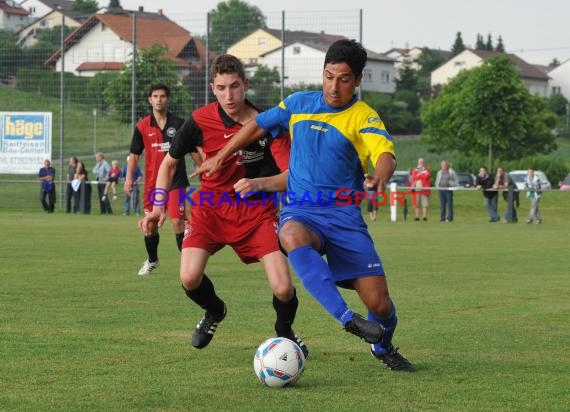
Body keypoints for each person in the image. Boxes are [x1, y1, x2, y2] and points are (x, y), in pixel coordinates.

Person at [193, 41, 415, 372]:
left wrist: (380, 177)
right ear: (322, 73)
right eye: (328, 76)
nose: (333, 86)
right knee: (291, 234)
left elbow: (385, 154)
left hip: (344, 219)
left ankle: (382, 348)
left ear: (357, 81)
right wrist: (221, 156)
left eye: (343, 79)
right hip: (302, 211)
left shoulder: (363, 116)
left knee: (380, 306)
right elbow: (258, 124)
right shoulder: (299, 103)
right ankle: (346, 318)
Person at [139, 55, 309, 358]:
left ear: (246, 85)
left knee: (283, 288)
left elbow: (292, 176)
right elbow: (168, 164)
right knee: (189, 277)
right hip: (210, 209)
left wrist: (260, 183)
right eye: (221, 88)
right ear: (212, 88)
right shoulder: (200, 120)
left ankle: (284, 329)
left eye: (234, 87)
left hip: (257, 212)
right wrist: (157, 206)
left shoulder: (268, 123)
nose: (228, 95)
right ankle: (215, 311)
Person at [125, 83, 189, 275]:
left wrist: (204, 167)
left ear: (168, 99)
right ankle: (152, 260)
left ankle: (188, 264)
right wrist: (129, 178)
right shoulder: (142, 126)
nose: (159, 99)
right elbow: (134, 155)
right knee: (150, 226)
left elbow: (194, 149)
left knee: (178, 222)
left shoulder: (179, 124)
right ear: (150, 99)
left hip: (176, 180)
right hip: (152, 184)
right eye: (155, 96)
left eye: (162, 96)